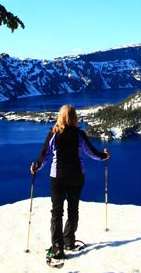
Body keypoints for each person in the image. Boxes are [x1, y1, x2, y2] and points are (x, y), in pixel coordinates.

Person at [30, 104, 110, 260]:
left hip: (57, 177)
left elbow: (44, 155)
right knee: (73, 209)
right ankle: (69, 241)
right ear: (74, 117)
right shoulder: (79, 134)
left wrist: (35, 167)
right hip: (76, 176)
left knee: (57, 212)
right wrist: (104, 156)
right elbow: (91, 152)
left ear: (60, 116)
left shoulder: (54, 133)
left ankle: (58, 247)